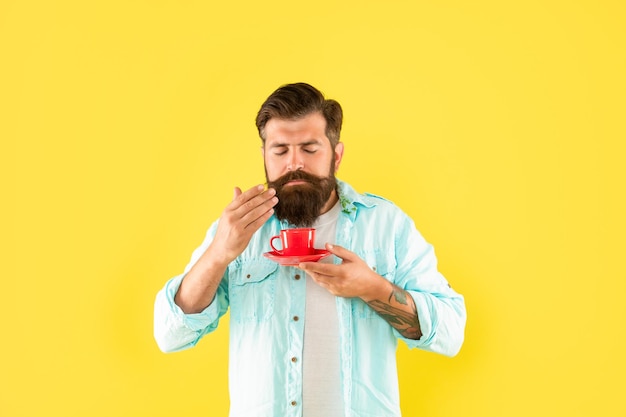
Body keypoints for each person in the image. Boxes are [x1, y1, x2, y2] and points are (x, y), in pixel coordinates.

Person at [154, 82, 466, 417]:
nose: (294, 163)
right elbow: (170, 334)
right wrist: (219, 253)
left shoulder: (387, 226)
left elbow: (450, 333)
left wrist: (372, 288)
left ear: (337, 155)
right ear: (264, 156)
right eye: (280, 150)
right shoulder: (238, 229)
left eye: (309, 148)